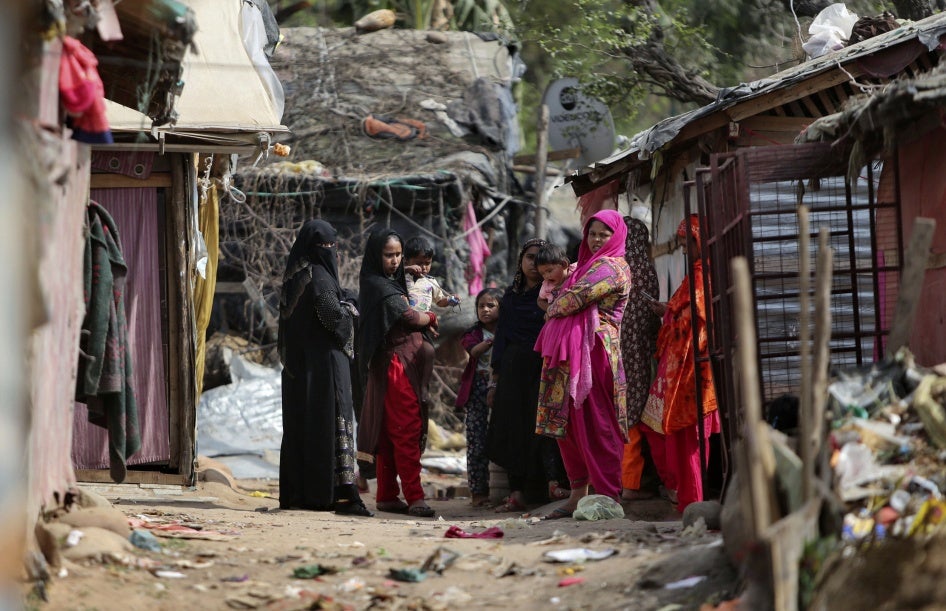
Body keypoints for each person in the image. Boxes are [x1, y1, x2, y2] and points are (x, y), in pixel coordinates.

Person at [534, 209, 631, 519]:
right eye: (592, 233)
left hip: (595, 353)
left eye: (604, 233)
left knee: (597, 423)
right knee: (570, 425)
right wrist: (556, 303)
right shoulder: (583, 266)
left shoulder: (612, 268)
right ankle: (577, 496)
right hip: (570, 355)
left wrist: (554, 306)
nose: (597, 238)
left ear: (616, 236)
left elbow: (573, 299)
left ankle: (607, 495)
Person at [277, 220, 372, 516]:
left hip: (302, 370)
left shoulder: (299, 276)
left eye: (333, 245)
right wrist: (352, 308)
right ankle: (339, 494)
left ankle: (306, 493)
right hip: (326, 367)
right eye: (326, 246)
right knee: (331, 425)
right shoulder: (319, 278)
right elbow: (334, 318)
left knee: (308, 427)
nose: (331, 251)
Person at [355, 228, 438, 518]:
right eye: (388, 255)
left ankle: (388, 495)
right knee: (406, 430)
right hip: (395, 366)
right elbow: (408, 316)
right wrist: (430, 317)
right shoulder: (380, 286)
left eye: (398, 254)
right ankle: (415, 497)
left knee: (391, 433)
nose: (394, 260)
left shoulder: (390, 281)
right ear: (376, 256)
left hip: (401, 363)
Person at [640, 214, 720, 513]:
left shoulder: (702, 277)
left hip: (689, 370)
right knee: (668, 433)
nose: (685, 250)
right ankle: (683, 496)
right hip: (677, 369)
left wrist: (671, 314)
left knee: (689, 439)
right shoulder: (696, 275)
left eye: (689, 243)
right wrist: (668, 311)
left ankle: (692, 503)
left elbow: (695, 323)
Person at [487, 238, 569, 513]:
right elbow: (501, 339)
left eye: (540, 258)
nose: (534, 264)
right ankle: (517, 492)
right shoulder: (510, 299)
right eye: (529, 257)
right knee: (513, 428)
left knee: (545, 425)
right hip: (513, 370)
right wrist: (494, 381)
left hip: (546, 365)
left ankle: (552, 483)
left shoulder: (557, 295)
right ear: (520, 261)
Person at [619, 217, 662, 501]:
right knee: (633, 417)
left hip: (613, 352)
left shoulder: (612, 270)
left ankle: (621, 484)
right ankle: (630, 485)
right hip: (639, 353)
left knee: (620, 418)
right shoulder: (646, 271)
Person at [454, 287, 503, 508]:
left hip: (503, 387)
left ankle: (504, 489)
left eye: (490, 305)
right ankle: (478, 492)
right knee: (476, 440)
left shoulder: (509, 331)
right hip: (477, 388)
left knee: (502, 437)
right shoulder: (473, 333)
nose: (485, 310)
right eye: (481, 306)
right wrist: (495, 342)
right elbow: (474, 352)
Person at [403, 235, 460, 313]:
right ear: (406, 261)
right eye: (419, 263)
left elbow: (439, 301)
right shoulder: (402, 277)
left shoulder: (431, 281)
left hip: (422, 320)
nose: (423, 267)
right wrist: (407, 269)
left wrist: (449, 300)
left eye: (427, 263)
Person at [535, 242, 577, 312]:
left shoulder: (576, 270)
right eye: (542, 273)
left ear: (564, 264)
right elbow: (540, 300)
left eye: (549, 271)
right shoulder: (547, 286)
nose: (546, 276)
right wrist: (550, 309)